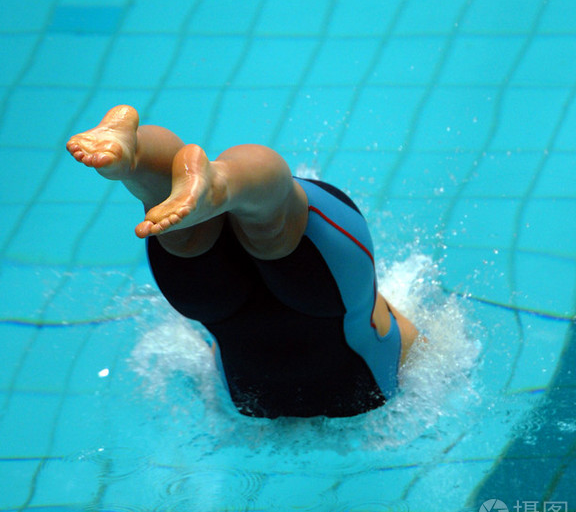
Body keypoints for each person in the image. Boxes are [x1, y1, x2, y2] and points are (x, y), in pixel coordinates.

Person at [66, 105, 419, 419]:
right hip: (249, 317)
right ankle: (155, 170)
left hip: (289, 306)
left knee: (274, 214)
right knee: (192, 232)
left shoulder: (406, 342)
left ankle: (151, 159)